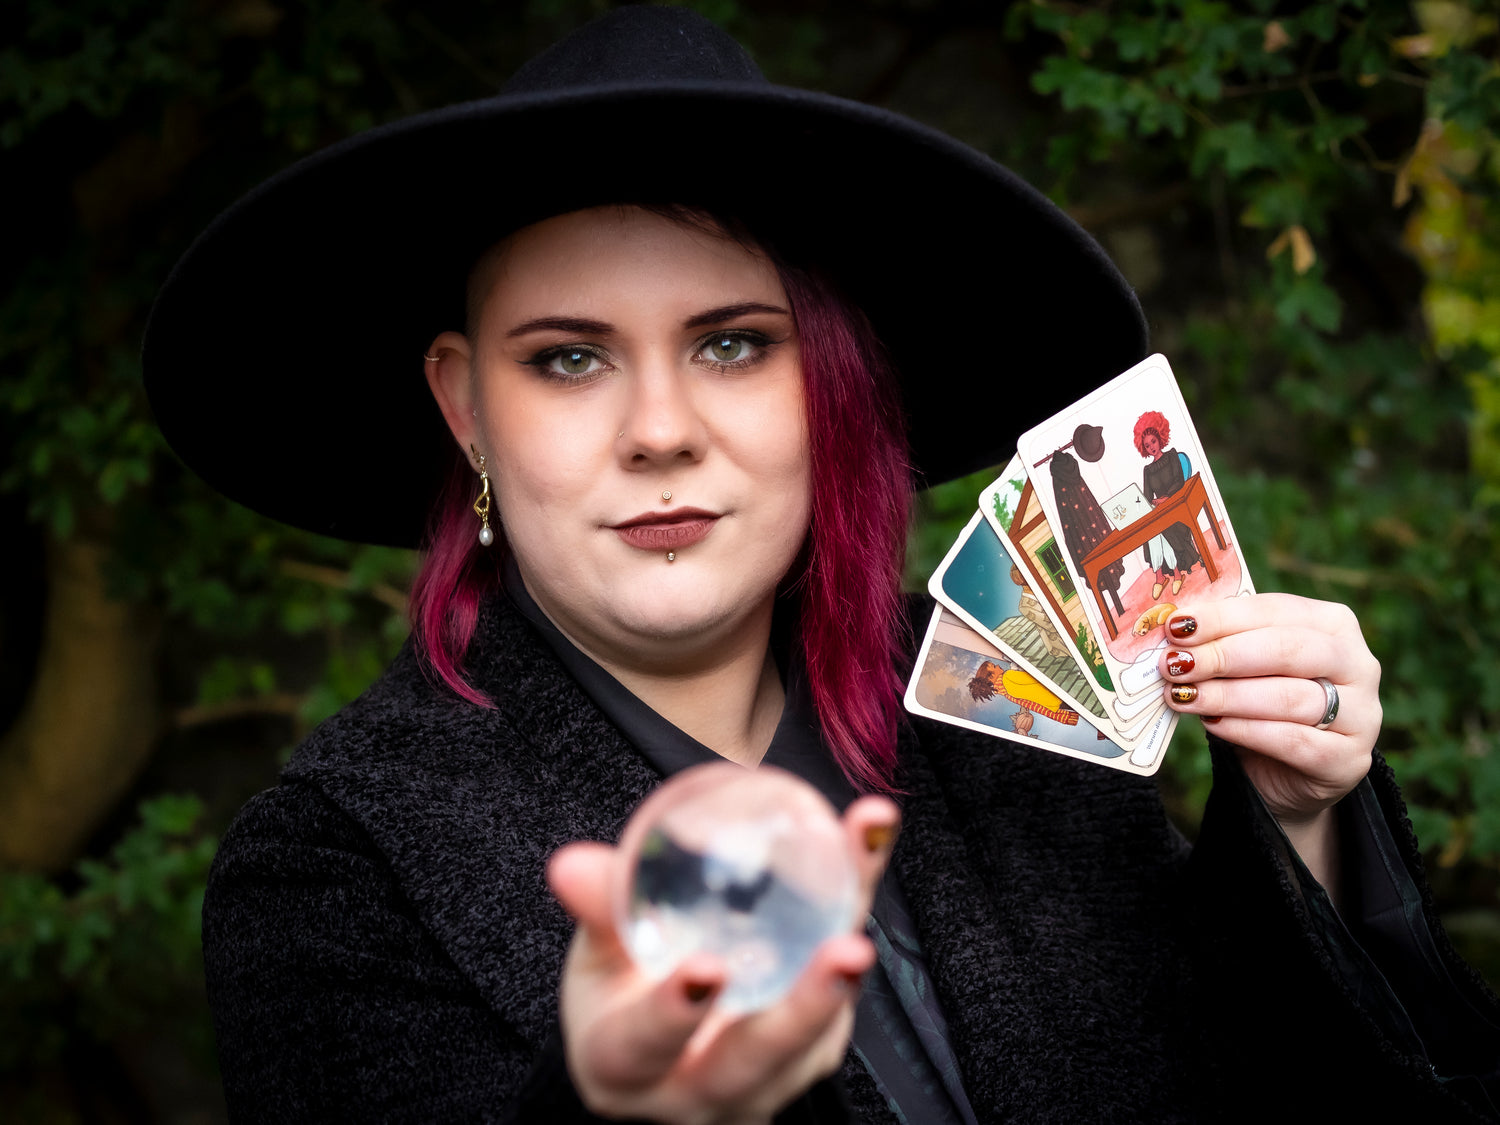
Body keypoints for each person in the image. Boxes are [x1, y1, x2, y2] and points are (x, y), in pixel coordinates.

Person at [142, 7, 1500, 1122]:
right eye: (567, 357)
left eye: (734, 341)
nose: (660, 431)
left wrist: (1302, 818)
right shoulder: (337, 865)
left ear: (833, 384)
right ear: (464, 406)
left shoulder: (1015, 725)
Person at [1134, 410, 1202, 600]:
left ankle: (1168, 575)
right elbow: (1147, 496)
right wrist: (1145, 505)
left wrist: (1166, 498)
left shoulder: (1172, 456)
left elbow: (1179, 481)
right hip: (1161, 512)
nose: (1151, 447)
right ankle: (1163, 576)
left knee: (1160, 527)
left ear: (1160, 438)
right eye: (1147, 446)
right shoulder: (1147, 470)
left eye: (1153, 442)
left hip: (1177, 509)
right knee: (1153, 528)